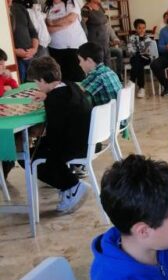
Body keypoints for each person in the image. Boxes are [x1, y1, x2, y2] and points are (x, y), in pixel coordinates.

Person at [26, 56, 92, 213]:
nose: (37, 86)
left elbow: (55, 136)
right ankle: (67, 186)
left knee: (28, 157)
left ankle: (73, 185)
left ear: (43, 80)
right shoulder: (70, 85)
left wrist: (36, 134)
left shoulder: (54, 101)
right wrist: (47, 96)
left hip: (73, 146)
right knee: (39, 148)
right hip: (87, 140)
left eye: (36, 83)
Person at [44, 0, 87, 82]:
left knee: (78, 78)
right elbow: (47, 29)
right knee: (61, 78)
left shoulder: (71, 3)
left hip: (74, 47)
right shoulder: (47, 8)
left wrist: (52, 23)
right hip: (55, 49)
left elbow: (70, 18)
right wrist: (62, 25)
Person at [78, 42, 122, 106]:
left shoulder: (96, 75)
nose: (79, 64)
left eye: (80, 60)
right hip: (116, 110)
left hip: (105, 112)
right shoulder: (109, 71)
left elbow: (77, 92)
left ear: (89, 60)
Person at [8, 0, 39, 81]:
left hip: (31, 57)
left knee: (35, 85)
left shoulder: (20, 8)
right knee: (19, 86)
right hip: (13, 59)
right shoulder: (2, 12)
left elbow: (33, 32)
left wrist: (34, 49)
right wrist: (14, 51)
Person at [127, 18, 154, 98]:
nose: (142, 30)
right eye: (139, 28)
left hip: (146, 58)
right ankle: (141, 88)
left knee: (138, 59)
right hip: (135, 58)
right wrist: (138, 52)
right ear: (136, 29)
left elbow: (147, 51)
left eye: (144, 28)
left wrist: (141, 41)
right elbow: (130, 50)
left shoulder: (148, 38)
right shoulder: (131, 38)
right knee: (139, 63)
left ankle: (132, 80)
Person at [81, 0, 110, 66]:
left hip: (104, 40)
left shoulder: (99, 6)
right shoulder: (86, 9)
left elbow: (104, 21)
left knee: (107, 62)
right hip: (95, 41)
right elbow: (83, 25)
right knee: (99, 63)